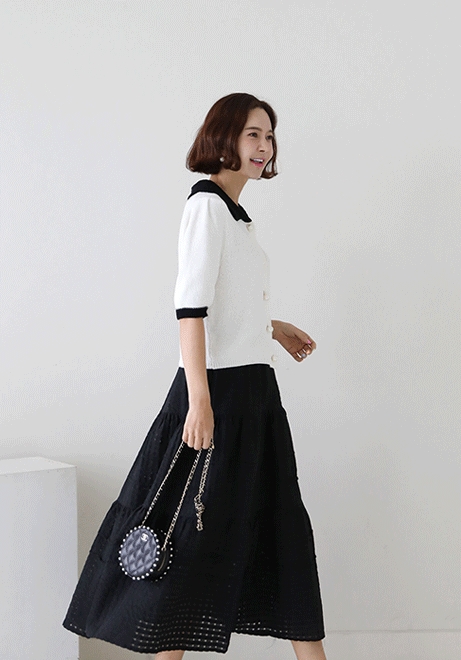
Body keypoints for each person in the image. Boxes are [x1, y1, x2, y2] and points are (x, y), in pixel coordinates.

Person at [62, 92, 327, 660]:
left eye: (270, 136)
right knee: (188, 535)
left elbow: (226, 304)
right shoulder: (206, 205)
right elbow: (191, 310)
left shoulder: (235, 217)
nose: (264, 146)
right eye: (253, 134)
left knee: (274, 530)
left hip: (255, 393)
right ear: (224, 137)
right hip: (218, 393)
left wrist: (272, 327)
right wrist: (199, 401)